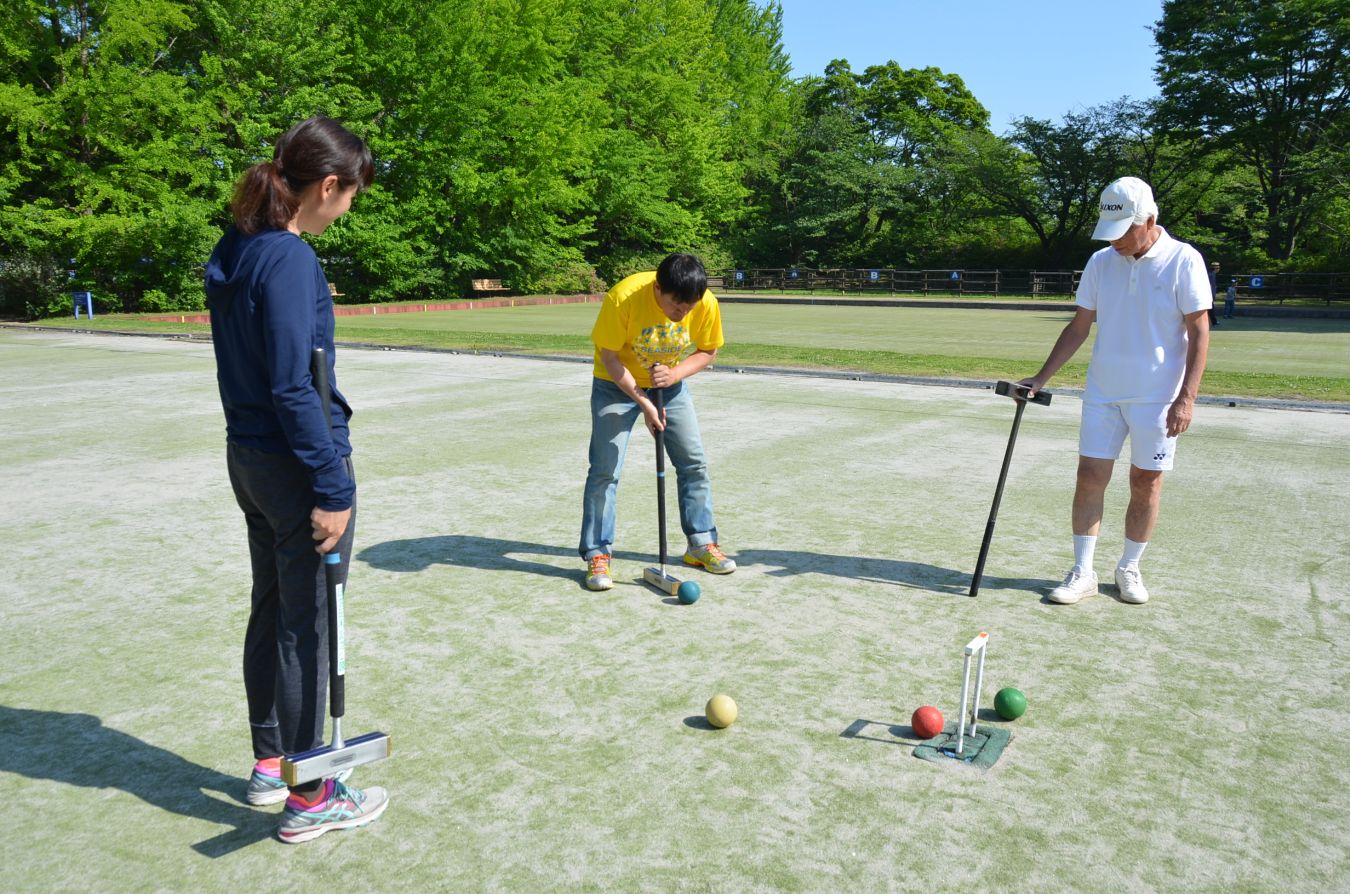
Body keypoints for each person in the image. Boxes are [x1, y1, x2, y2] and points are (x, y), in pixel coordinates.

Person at [205, 115, 388, 842]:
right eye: (350, 197)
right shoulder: (286, 258)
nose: (348, 211)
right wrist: (333, 488)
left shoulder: (238, 245)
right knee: (305, 625)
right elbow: (291, 386)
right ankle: (310, 794)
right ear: (329, 185)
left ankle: (270, 758)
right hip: (292, 464)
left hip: (249, 458)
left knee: (272, 606)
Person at [1017, 176, 1210, 605]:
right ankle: (1083, 571)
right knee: (1089, 476)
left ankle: (1129, 568)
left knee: (1146, 482)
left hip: (1159, 397)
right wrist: (1041, 377)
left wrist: (1187, 398)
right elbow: (1080, 326)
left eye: (1125, 231)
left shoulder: (1184, 260)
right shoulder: (1101, 262)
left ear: (1150, 220)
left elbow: (1200, 331)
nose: (1116, 241)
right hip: (1104, 391)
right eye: (1111, 232)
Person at [579, 253, 736, 590]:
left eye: (689, 308)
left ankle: (700, 544)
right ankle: (597, 553)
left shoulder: (703, 301)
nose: (683, 314)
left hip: (670, 385)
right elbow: (608, 356)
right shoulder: (624, 297)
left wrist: (674, 374)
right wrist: (645, 404)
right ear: (658, 288)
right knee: (605, 469)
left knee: (693, 462)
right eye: (676, 306)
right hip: (614, 385)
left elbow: (708, 351)